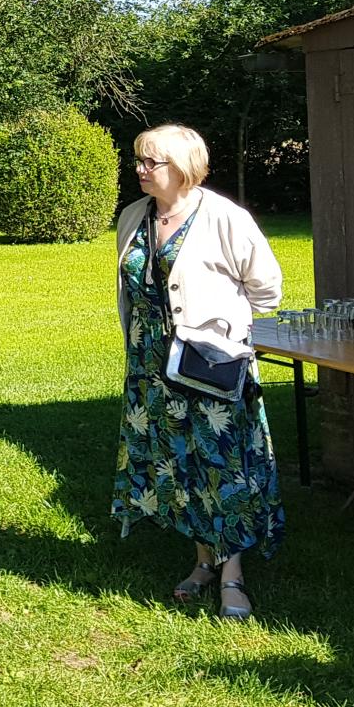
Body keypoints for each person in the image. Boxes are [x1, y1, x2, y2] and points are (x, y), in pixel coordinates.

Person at [111, 124, 284, 621]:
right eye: (139, 161)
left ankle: (233, 576)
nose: (140, 170)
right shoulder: (133, 217)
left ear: (184, 167)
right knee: (178, 462)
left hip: (209, 364)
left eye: (152, 162)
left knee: (220, 465)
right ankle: (203, 561)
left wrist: (227, 334)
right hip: (150, 364)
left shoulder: (224, 217)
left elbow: (267, 289)